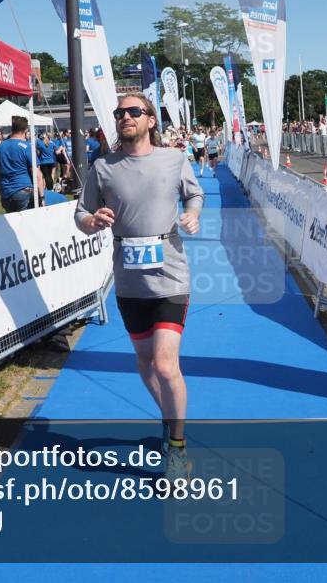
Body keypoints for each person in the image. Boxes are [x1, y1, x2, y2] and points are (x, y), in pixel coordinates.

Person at [75, 93, 204, 483]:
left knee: (166, 364)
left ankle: (177, 449)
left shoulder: (173, 159)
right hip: (129, 279)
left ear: (151, 120)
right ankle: (169, 418)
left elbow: (194, 193)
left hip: (170, 275)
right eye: (119, 113)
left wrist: (192, 214)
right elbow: (80, 213)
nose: (125, 117)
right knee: (145, 363)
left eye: (134, 111)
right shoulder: (103, 167)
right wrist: (91, 219)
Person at [0, 116, 43, 212]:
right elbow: (37, 175)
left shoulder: (0, 147)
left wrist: (2, 191)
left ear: (12, 129)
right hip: (23, 191)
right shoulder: (27, 147)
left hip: (6, 193)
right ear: (26, 130)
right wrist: (42, 197)